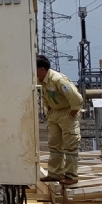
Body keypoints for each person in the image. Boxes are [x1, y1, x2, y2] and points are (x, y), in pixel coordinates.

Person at [36, 54, 83, 186]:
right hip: (54, 113)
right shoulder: (41, 81)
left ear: (42, 69)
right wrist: (49, 109)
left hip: (66, 112)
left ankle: (71, 175)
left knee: (70, 145)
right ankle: (55, 173)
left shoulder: (58, 80)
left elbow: (76, 98)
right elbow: (43, 96)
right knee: (54, 144)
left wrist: (73, 113)